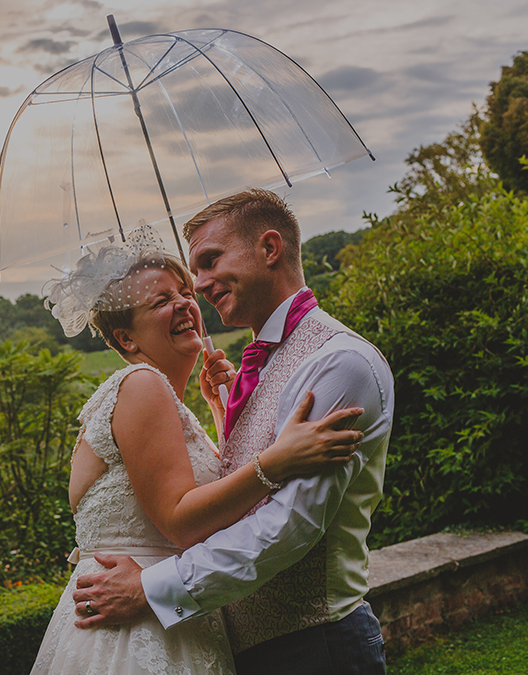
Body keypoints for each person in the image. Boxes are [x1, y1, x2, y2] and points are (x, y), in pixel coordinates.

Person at [71, 190, 395, 675]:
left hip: (315, 645)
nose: (198, 286)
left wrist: (153, 587)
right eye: (190, 274)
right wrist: (225, 419)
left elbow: (289, 526)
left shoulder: (337, 361)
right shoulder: (253, 365)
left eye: (208, 262)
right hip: (234, 646)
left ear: (269, 249)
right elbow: (241, 489)